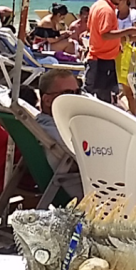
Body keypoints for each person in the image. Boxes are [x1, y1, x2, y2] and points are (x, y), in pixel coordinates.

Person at [35, 66, 84, 199]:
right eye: (68, 93)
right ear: (47, 100)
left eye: (77, 92)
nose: (75, 98)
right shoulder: (54, 131)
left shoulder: (44, 124)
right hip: (84, 190)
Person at [85, 0, 136, 103]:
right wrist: (129, 30)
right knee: (102, 98)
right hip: (101, 60)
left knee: (98, 95)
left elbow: (91, 30)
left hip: (99, 58)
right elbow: (105, 34)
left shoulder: (97, 5)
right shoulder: (106, 10)